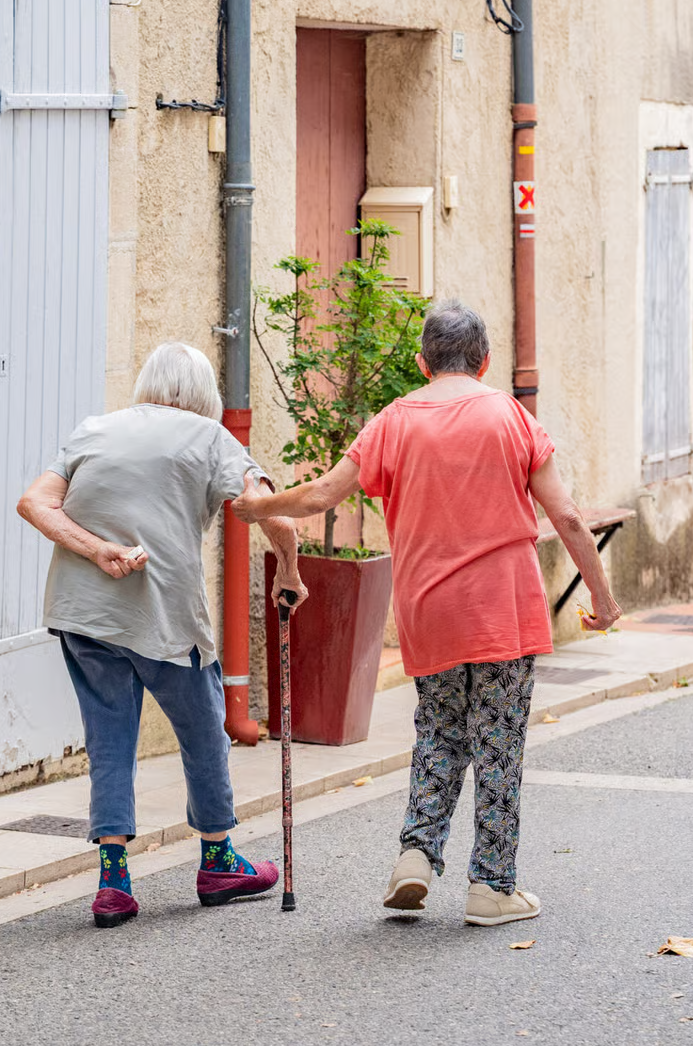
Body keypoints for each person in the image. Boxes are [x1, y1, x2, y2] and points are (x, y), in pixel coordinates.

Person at [235, 300, 621, 927]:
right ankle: (492, 887)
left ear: (422, 361)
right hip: (504, 611)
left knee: (440, 732)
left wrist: (260, 508)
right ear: (486, 361)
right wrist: (602, 602)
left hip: (428, 610)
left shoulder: (393, 420)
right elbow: (568, 517)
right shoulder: (512, 416)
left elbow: (324, 493)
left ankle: (416, 854)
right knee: (497, 743)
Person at [17, 342, 308, 929]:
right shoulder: (210, 437)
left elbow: (34, 503)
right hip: (164, 616)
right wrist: (289, 569)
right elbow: (269, 510)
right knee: (204, 731)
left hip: (85, 613)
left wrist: (99, 551)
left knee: (109, 740)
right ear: (206, 396)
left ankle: (114, 883)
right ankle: (220, 860)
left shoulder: (94, 429)